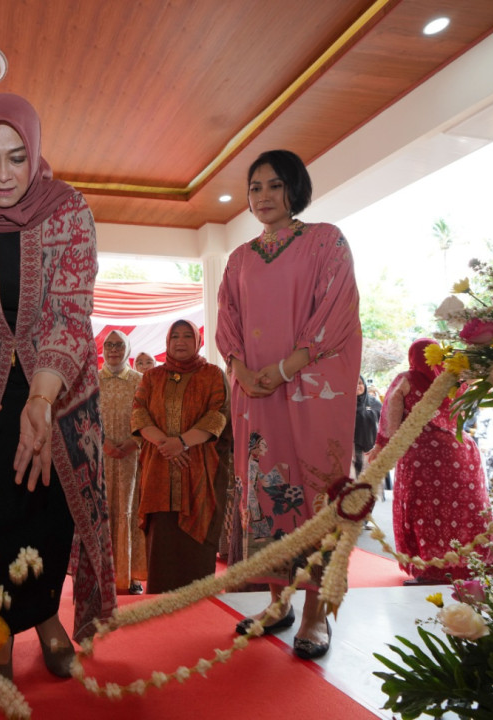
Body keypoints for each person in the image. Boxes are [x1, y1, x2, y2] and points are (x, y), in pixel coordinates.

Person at [0, 93, 115, 681]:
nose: (3, 173)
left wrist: (40, 397)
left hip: (59, 390)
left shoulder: (69, 212)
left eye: (16, 157)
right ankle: (1, 623)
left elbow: (70, 311)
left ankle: (49, 616)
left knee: (55, 507)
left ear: (35, 155)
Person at [216, 149, 361, 660]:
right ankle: (278, 604)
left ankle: (319, 612)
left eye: (274, 186)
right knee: (263, 492)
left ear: (294, 189)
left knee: (316, 491)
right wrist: (239, 371)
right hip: (256, 399)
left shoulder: (325, 240)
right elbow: (228, 324)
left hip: (308, 391)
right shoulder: (238, 259)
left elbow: (336, 313)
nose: (263, 197)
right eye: (255, 187)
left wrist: (282, 369)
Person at [372, 339, 493, 585]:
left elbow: (390, 416)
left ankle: (430, 569)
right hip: (462, 453)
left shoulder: (406, 379)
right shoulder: (453, 380)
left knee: (427, 512)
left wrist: (382, 446)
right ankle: (471, 566)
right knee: (463, 511)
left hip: (423, 456)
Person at [131, 320, 228, 593]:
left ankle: (198, 596)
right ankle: (160, 597)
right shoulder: (152, 377)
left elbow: (217, 415)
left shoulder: (212, 375)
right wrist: (168, 445)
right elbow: (139, 413)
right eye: (175, 336)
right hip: (159, 468)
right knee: (162, 535)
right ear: (167, 341)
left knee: (198, 525)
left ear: (198, 342)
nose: (181, 341)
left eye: (188, 336)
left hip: (199, 467)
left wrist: (183, 443)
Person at [99, 330, 147, 594]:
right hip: (101, 457)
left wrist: (134, 441)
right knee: (103, 513)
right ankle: (101, 576)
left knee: (130, 511)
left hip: (132, 459)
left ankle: (131, 577)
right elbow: (86, 418)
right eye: (109, 345)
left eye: (119, 345)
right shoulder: (93, 381)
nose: (114, 350)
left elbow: (149, 417)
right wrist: (103, 443)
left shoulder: (141, 381)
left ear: (128, 349)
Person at [352, 375, 380, 478]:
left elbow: (385, 421)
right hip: (353, 447)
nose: (357, 386)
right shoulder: (345, 403)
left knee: (372, 474)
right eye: (354, 383)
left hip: (371, 445)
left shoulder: (373, 402)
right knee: (356, 473)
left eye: (360, 383)